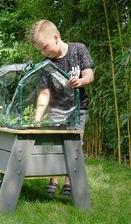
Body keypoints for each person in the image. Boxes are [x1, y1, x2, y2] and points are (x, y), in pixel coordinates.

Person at [28, 20, 95, 197]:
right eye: (40, 50)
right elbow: (44, 93)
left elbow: (89, 75)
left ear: (56, 38)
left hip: (77, 109)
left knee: (74, 146)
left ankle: (69, 182)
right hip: (56, 110)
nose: (43, 52)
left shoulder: (78, 49)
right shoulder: (46, 64)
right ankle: (53, 180)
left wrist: (81, 81)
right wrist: (37, 118)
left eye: (44, 47)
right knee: (53, 145)